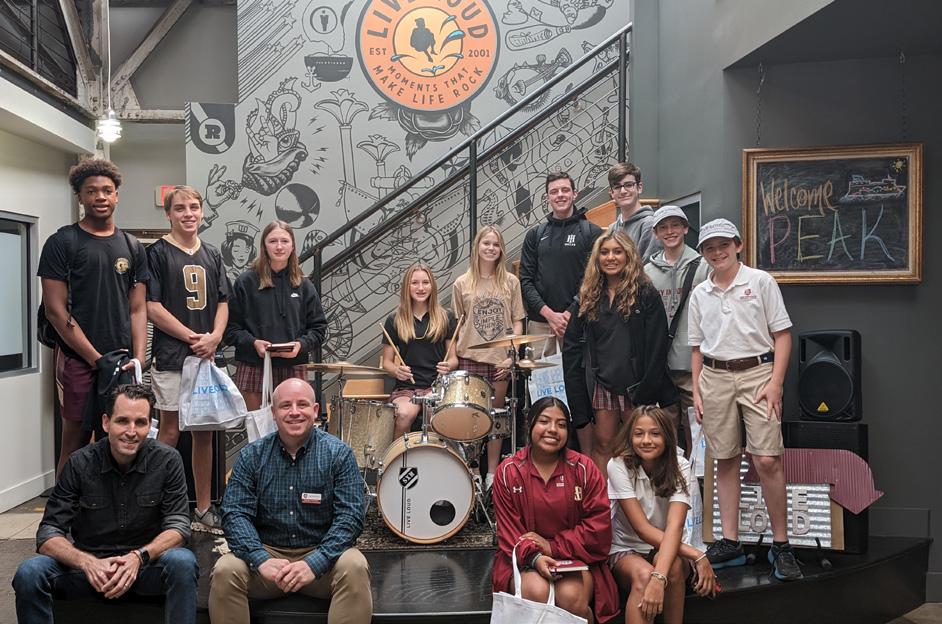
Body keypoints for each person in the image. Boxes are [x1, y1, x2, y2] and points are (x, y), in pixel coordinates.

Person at [13, 384, 198, 624]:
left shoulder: (167, 460)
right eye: (122, 421)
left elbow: (179, 526)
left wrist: (138, 557)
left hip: (144, 566)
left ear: (149, 426)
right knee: (30, 572)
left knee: (183, 562)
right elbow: (48, 533)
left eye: (140, 423)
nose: (131, 431)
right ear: (105, 423)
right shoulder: (79, 463)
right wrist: (87, 562)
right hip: (88, 569)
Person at [688, 218, 801, 581]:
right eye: (709, 247)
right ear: (703, 253)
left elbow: (782, 335)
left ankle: (781, 545)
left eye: (724, 245)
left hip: (757, 373)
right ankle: (730, 542)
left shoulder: (760, 281)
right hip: (714, 376)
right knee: (724, 458)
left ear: (738, 245)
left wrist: (776, 383)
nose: (717, 252)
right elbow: (696, 348)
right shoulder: (700, 293)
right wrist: (697, 390)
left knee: (767, 458)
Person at [209, 378, 372, 624]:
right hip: (267, 558)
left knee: (355, 565)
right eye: (285, 405)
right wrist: (260, 558)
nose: (294, 412)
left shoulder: (339, 454)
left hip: (323, 557)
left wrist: (315, 562)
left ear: (315, 411)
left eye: (302, 404)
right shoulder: (252, 456)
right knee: (225, 569)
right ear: (273, 413)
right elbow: (234, 513)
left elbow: (350, 517)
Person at [38, 159, 150, 475]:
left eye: (107, 190)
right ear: (80, 197)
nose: (100, 196)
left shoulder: (132, 246)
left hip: (121, 361)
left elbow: (138, 308)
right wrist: (95, 359)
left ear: (116, 195)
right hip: (77, 360)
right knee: (74, 441)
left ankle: (113, 506)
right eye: (91, 191)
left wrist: (139, 359)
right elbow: (56, 311)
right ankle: (63, 508)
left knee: (121, 441)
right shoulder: (62, 242)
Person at [147, 185, 231, 534]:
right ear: (168, 213)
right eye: (180, 208)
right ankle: (153, 508)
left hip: (205, 358)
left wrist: (214, 337)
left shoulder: (211, 254)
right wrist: (192, 337)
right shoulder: (156, 253)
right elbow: (152, 307)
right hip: (172, 357)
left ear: (202, 211)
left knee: (203, 434)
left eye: (194, 207)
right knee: (169, 430)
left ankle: (203, 508)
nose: (188, 213)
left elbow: (223, 302)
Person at [491, 397, 619, 624]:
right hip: (527, 558)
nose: (552, 429)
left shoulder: (584, 469)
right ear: (529, 424)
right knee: (535, 591)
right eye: (544, 421)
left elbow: (598, 530)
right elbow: (510, 533)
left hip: (575, 557)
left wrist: (552, 546)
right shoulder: (508, 472)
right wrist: (536, 557)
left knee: (571, 597)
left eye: (561, 424)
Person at [562, 230, 677, 477]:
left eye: (617, 251)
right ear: (597, 258)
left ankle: (641, 498)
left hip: (636, 384)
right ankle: (602, 499)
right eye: (604, 252)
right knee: (603, 444)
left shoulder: (645, 293)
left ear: (629, 255)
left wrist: (647, 388)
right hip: (602, 382)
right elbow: (572, 347)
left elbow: (658, 346)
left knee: (641, 446)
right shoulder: (587, 296)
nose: (610, 257)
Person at [608, 405, 717, 624]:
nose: (646, 440)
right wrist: (697, 555)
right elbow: (642, 529)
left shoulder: (680, 465)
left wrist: (661, 575)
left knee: (672, 566)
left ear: (667, 437)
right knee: (644, 575)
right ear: (630, 437)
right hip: (627, 548)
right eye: (639, 434)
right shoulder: (617, 465)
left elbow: (675, 526)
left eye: (655, 434)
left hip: (668, 546)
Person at [225, 220, 327, 412]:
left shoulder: (304, 285)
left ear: (292, 246)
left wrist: (301, 345)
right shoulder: (245, 282)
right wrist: (253, 343)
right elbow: (230, 329)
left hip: (294, 367)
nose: (279, 247)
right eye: (273, 241)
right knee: (256, 427)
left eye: (284, 241)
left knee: (293, 425)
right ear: (264, 246)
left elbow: (319, 329)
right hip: (254, 367)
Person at [452, 226, 526, 490]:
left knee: (496, 414)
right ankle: (473, 470)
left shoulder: (511, 282)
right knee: (471, 415)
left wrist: (511, 355)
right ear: (477, 246)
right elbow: (458, 324)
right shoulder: (462, 283)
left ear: (501, 249)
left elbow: (517, 321)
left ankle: (492, 473)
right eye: (486, 243)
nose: (491, 248)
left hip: (499, 359)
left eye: (496, 244)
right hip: (470, 357)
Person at [643, 206, 709, 454]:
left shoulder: (704, 267)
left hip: (694, 366)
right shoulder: (647, 272)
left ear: (685, 228)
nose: (670, 231)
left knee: (698, 432)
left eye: (675, 225)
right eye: (663, 227)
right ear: (656, 233)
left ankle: (697, 478)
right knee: (664, 434)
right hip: (662, 367)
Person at [518, 172, 602, 359]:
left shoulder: (592, 232)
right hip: (540, 325)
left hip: (578, 322)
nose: (560, 195)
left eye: (565, 190)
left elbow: (594, 279)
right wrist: (550, 315)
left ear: (575, 193)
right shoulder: (535, 235)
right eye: (554, 191)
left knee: (578, 377)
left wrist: (570, 313)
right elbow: (525, 281)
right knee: (539, 378)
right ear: (547, 197)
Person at [382, 263, 459, 437]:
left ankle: (434, 455)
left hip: (437, 385)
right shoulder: (395, 319)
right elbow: (386, 362)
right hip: (406, 387)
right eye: (415, 283)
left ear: (432, 286)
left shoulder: (446, 317)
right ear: (406, 287)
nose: (421, 288)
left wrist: (449, 365)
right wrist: (397, 370)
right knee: (403, 415)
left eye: (425, 282)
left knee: (435, 415)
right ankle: (402, 455)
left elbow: (453, 358)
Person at [606, 163, 661, 261]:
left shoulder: (650, 224)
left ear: (639, 187)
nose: (623, 191)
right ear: (611, 192)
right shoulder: (612, 228)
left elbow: (649, 266)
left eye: (628, 185)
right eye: (617, 186)